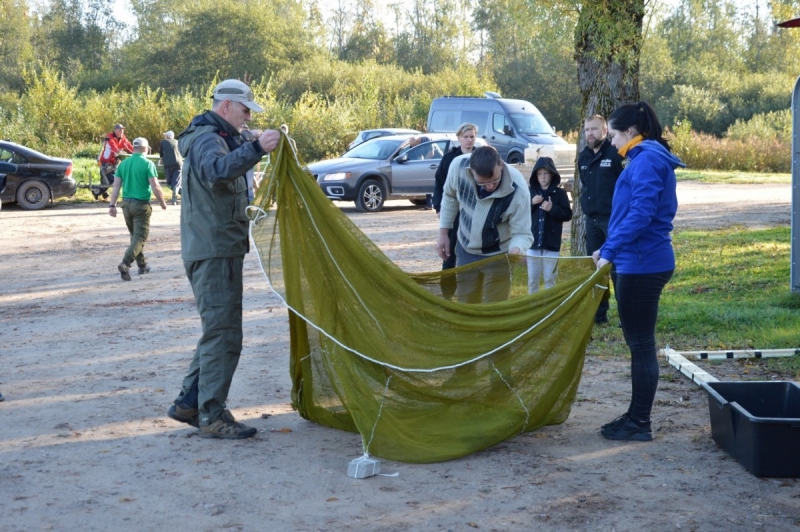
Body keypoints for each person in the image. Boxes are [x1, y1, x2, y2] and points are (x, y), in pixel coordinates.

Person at [167, 79, 280, 440]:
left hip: (219, 247)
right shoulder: (205, 139)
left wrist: (250, 141)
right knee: (224, 335)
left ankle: (190, 402)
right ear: (227, 106)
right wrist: (257, 147)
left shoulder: (218, 135)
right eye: (246, 111)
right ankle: (212, 414)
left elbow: (229, 153)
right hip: (214, 250)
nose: (249, 118)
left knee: (217, 331)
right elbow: (216, 170)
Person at [592, 101, 684, 442]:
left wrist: (612, 249)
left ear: (630, 132)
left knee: (642, 345)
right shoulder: (647, 157)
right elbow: (630, 213)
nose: (611, 142)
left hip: (642, 263)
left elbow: (642, 214)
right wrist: (608, 246)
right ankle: (634, 416)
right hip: (639, 259)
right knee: (639, 344)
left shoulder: (646, 160)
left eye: (613, 135)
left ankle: (639, 423)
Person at [437, 145, 532, 303]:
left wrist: (517, 248)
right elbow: (449, 196)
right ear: (471, 171)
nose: (489, 187)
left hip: (499, 256)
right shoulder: (457, 166)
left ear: (501, 165)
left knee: (494, 309)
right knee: (467, 305)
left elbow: (522, 233)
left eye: (494, 181)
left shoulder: (519, 191)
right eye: (482, 183)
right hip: (465, 249)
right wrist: (443, 234)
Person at [578, 115, 624, 323]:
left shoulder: (615, 153)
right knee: (595, 268)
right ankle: (599, 314)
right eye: (587, 130)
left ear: (605, 131)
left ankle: (626, 313)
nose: (590, 134)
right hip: (592, 220)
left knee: (617, 267)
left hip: (613, 220)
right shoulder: (583, 157)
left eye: (594, 129)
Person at [108, 137, 167, 280]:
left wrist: (112, 204)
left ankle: (142, 265)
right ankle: (125, 263)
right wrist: (162, 202)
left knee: (135, 237)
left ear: (133, 148)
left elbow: (116, 186)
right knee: (140, 237)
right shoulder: (148, 164)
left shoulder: (123, 164)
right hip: (141, 205)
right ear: (146, 149)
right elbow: (155, 186)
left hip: (126, 205)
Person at [432, 123, 478, 270]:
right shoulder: (448, 159)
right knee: (449, 253)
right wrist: (439, 208)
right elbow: (439, 185)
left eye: (472, 137)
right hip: (453, 210)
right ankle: (447, 291)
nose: (469, 140)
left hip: (474, 211)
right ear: (459, 138)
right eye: (466, 137)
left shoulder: (481, 157)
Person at [526, 157, 572, 293]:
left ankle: (550, 310)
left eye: (546, 173)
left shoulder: (560, 193)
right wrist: (531, 203)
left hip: (552, 244)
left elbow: (567, 215)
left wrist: (552, 209)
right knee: (532, 280)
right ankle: (533, 309)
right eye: (539, 174)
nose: (543, 177)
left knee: (550, 279)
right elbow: (520, 213)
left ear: (552, 174)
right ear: (536, 175)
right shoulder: (530, 193)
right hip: (533, 243)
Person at [95, 124, 134, 201]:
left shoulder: (123, 138)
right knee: (109, 180)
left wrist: (136, 152)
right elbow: (114, 147)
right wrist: (121, 152)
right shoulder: (109, 137)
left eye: (122, 130)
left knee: (108, 179)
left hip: (114, 162)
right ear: (115, 130)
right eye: (120, 130)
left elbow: (128, 145)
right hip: (106, 162)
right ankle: (96, 192)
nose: (122, 131)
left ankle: (101, 194)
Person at [159, 131, 182, 205]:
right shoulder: (177, 142)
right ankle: (185, 194)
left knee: (170, 183)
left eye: (165, 135)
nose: (164, 136)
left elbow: (161, 154)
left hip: (168, 165)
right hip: (178, 164)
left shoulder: (163, 142)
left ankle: (174, 200)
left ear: (167, 136)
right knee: (175, 183)